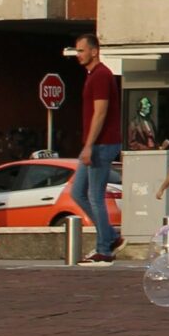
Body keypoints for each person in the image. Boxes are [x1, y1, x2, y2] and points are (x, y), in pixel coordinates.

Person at [67, 33, 122, 265]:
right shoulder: (93, 76)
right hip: (95, 144)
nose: (78, 55)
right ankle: (110, 236)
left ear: (94, 51)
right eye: (77, 51)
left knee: (95, 196)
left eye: (81, 51)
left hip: (102, 143)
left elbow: (100, 112)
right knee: (77, 192)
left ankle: (104, 250)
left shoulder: (101, 75)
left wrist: (89, 145)